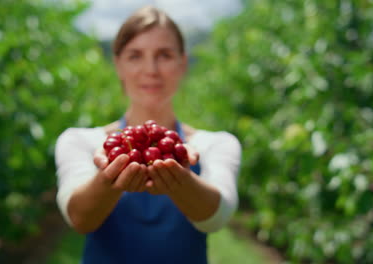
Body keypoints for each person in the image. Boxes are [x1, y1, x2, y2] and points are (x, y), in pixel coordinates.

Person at [55, 5, 241, 264]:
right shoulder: (80, 141)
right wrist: (108, 180)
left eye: (164, 55)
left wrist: (182, 180)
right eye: (135, 56)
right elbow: (79, 219)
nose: (151, 69)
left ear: (182, 63)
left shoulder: (215, 144)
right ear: (118, 64)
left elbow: (217, 218)